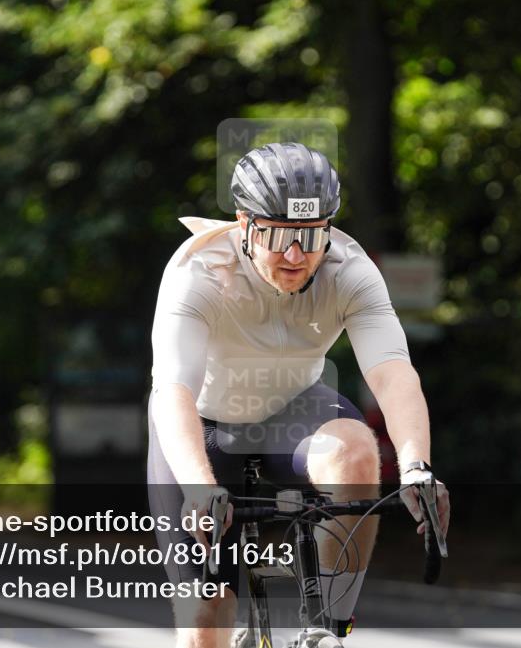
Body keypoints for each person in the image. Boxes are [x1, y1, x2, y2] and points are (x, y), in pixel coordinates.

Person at [147, 142, 450, 647]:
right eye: (279, 236)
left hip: (295, 408)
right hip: (203, 426)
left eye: (311, 236)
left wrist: (417, 466)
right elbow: (173, 388)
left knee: (356, 454)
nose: (296, 255)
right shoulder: (196, 274)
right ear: (244, 226)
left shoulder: (349, 270)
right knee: (205, 617)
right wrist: (200, 488)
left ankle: (329, 628)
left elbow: (394, 373)